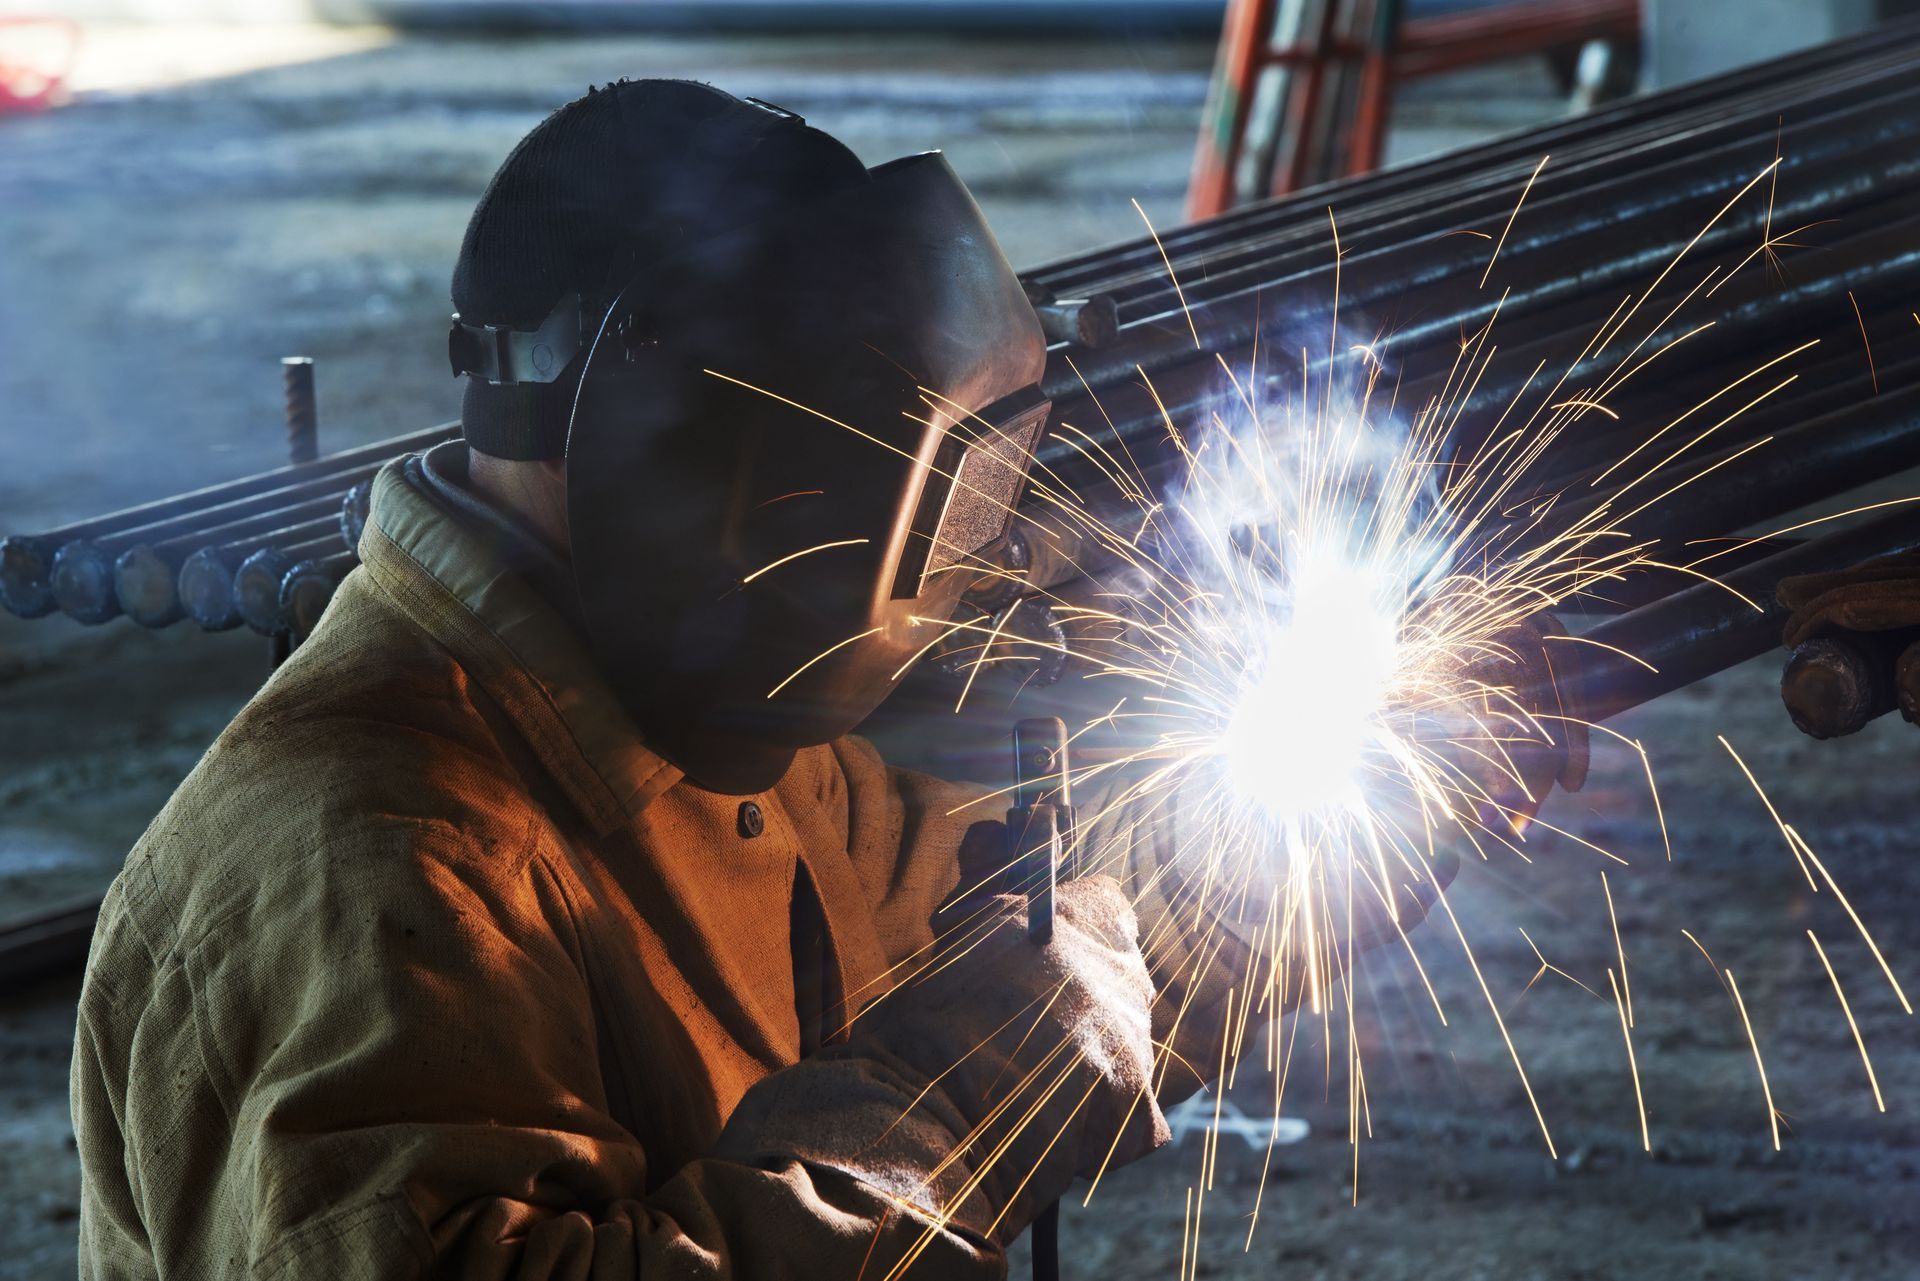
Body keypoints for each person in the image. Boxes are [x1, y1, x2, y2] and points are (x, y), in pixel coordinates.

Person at [70, 81, 1566, 1280]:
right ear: (697, 437)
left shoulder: (729, 723)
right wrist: (959, 1096)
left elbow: (1039, 970)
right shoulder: (377, 862)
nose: (925, 582)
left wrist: (1265, 890)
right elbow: (979, 1056)